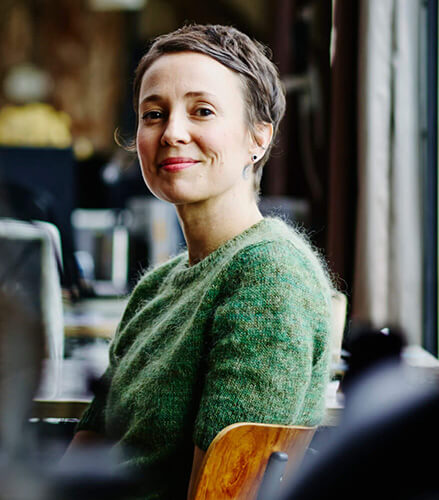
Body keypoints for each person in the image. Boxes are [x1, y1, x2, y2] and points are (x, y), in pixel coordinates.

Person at [66, 24, 336, 499]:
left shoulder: (269, 274)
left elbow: (224, 489)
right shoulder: (158, 286)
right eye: (153, 114)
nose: (172, 133)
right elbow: (90, 446)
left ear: (259, 137)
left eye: (202, 111)